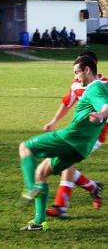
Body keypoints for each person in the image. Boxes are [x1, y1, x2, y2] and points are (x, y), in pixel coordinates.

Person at [18, 55, 108, 231]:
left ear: (87, 70)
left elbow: (106, 107)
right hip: (81, 148)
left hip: (70, 138)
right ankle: (39, 222)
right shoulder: (98, 87)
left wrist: (101, 114)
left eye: (77, 73)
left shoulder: (95, 88)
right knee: (41, 171)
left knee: (25, 147)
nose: (76, 77)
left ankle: (31, 188)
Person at [45, 51, 107, 218]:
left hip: (94, 136)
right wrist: (53, 122)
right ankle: (93, 187)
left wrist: (100, 115)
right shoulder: (76, 84)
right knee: (64, 163)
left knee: (65, 162)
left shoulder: (104, 85)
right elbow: (67, 103)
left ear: (90, 67)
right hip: (78, 133)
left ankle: (61, 207)